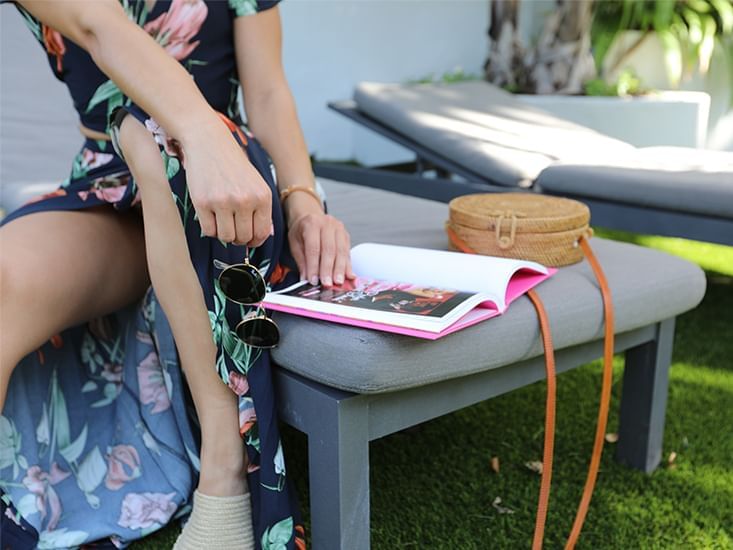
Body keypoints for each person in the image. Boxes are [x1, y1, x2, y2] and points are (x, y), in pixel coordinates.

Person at [0, 1, 354, 548]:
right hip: (108, 186)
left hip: (229, 185)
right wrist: (195, 130)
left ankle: (226, 475)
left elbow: (266, 91)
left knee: (153, 136)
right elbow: (100, 25)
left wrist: (305, 204)